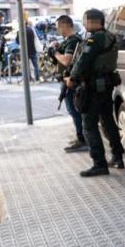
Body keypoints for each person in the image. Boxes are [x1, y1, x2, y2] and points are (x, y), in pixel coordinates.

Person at [68, 8, 124, 177]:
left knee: (89, 125)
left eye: (85, 21)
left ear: (90, 21)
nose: (84, 24)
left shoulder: (95, 39)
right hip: (106, 85)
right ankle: (117, 157)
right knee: (108, 121)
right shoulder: (110, 36)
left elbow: (84, 61)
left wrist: (72, 77)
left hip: (93, 87)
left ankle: (99, 164)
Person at [52, 15, 87, 152]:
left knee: (75, 111)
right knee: (74, 111)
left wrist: (54, 53)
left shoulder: (73, 41)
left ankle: (83, 140)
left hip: (72, 81)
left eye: (58, 27)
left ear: (65, 25)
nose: (58, 30)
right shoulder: (71, 40)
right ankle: (81, 138)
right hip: (69, 80)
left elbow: (66, 60)